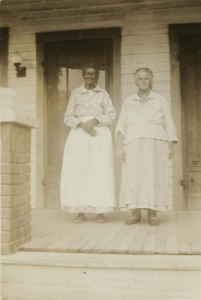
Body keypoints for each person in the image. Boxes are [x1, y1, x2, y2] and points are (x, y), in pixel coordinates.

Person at [116, 68, 178, 226]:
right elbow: (121, 125)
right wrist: (119, 147)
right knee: (133, 178)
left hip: (155, 144)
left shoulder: (159, 99)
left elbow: (169, 122)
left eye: (146, 78)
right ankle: (135, 213)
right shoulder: (129, 101)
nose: (143, 81)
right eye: (140, 79)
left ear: (151, 80)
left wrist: (170, 145)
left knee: (153, 177)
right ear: (135, 81)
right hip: (133, 144)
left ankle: (152, 214)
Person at [60, 64, 116, 223]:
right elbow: (68, 117)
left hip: (99, 135)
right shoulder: (76, 93)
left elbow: (111, 115)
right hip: (79, 135)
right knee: (80, 170)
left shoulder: (103, 93)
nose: (90, 76)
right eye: (88, 74)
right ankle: (80, 212)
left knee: (100, 170)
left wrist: (94, 120)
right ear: (83, 75)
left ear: (97, 76)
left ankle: (101, 212)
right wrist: (82, 124)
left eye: (93, 74)